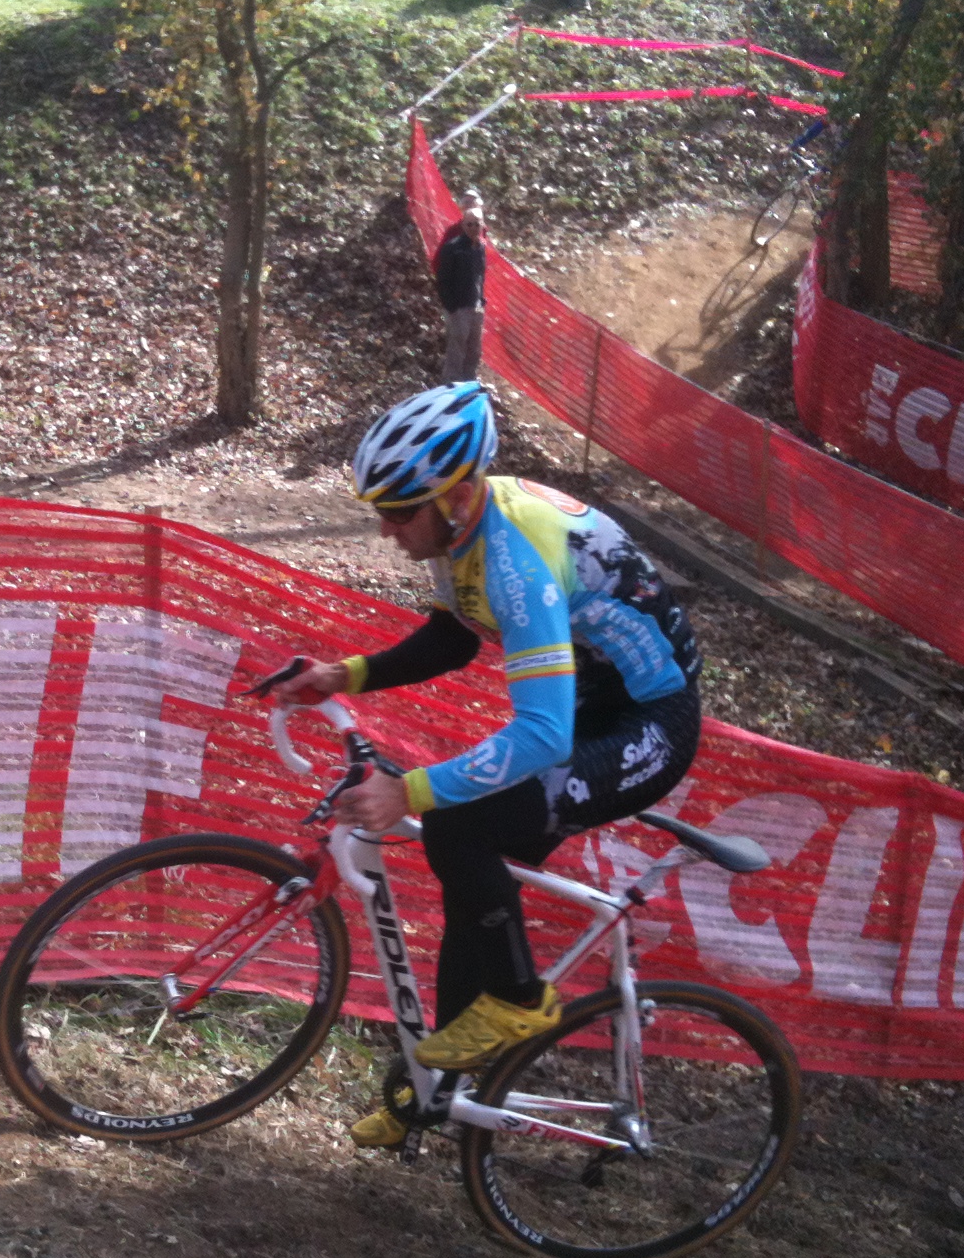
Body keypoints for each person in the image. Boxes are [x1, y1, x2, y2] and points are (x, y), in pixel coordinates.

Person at [272, 382, 703, 1149]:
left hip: (648, 723)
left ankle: (519, 996)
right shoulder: (463, 530)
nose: (385, 529)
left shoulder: (513, 556)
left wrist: (405, 788)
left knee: (460, 828)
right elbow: (455, 637)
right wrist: (347, 675)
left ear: (456, 493)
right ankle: (434, 1094)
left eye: (399, 511)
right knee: (472, 874)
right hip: (592, 707)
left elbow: (541, 734)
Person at [435, 201, 488, 382]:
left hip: (476, 306)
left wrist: (481, 299)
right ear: (463, 225)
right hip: (459, 309)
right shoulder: (452, 248)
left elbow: (480, 274)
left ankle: (469, 385)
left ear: (483, 225)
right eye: (469, 224)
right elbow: (442, 280)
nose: (474, 228)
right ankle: (451, 387)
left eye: (477, 224)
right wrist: (451, 307)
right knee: (456, 352)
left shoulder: (480, 247)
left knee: (474, 351)